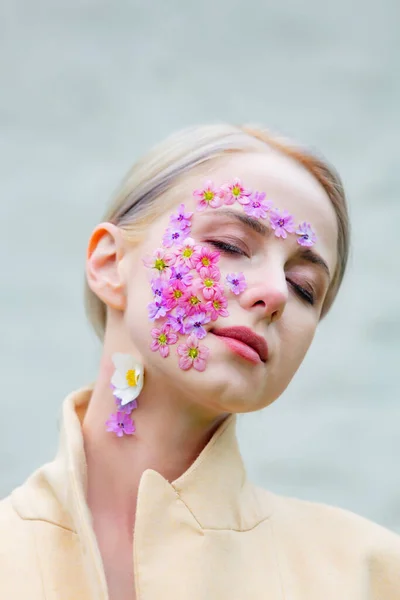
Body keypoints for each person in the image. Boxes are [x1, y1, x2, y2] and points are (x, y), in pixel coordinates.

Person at [1, 124, 399, 600]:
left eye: (304, 288)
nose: (274, 293)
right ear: (110, 265)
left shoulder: (369, 575)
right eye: (230, 245)